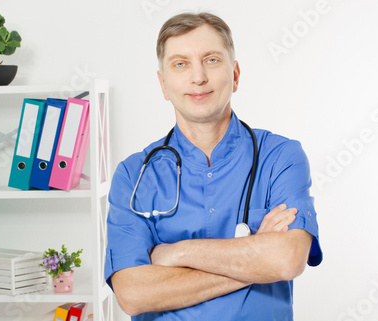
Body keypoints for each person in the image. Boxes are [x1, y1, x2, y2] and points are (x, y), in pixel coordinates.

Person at [104, 12, 323, 320]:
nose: (198, 77)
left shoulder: (280, 157)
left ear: (234, 75)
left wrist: (175, 253)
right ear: (163, 84)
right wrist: (256, 255)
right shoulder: (134, 175)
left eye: (211, 60)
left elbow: (287, 260)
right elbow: (133, 294)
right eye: (180, 64)